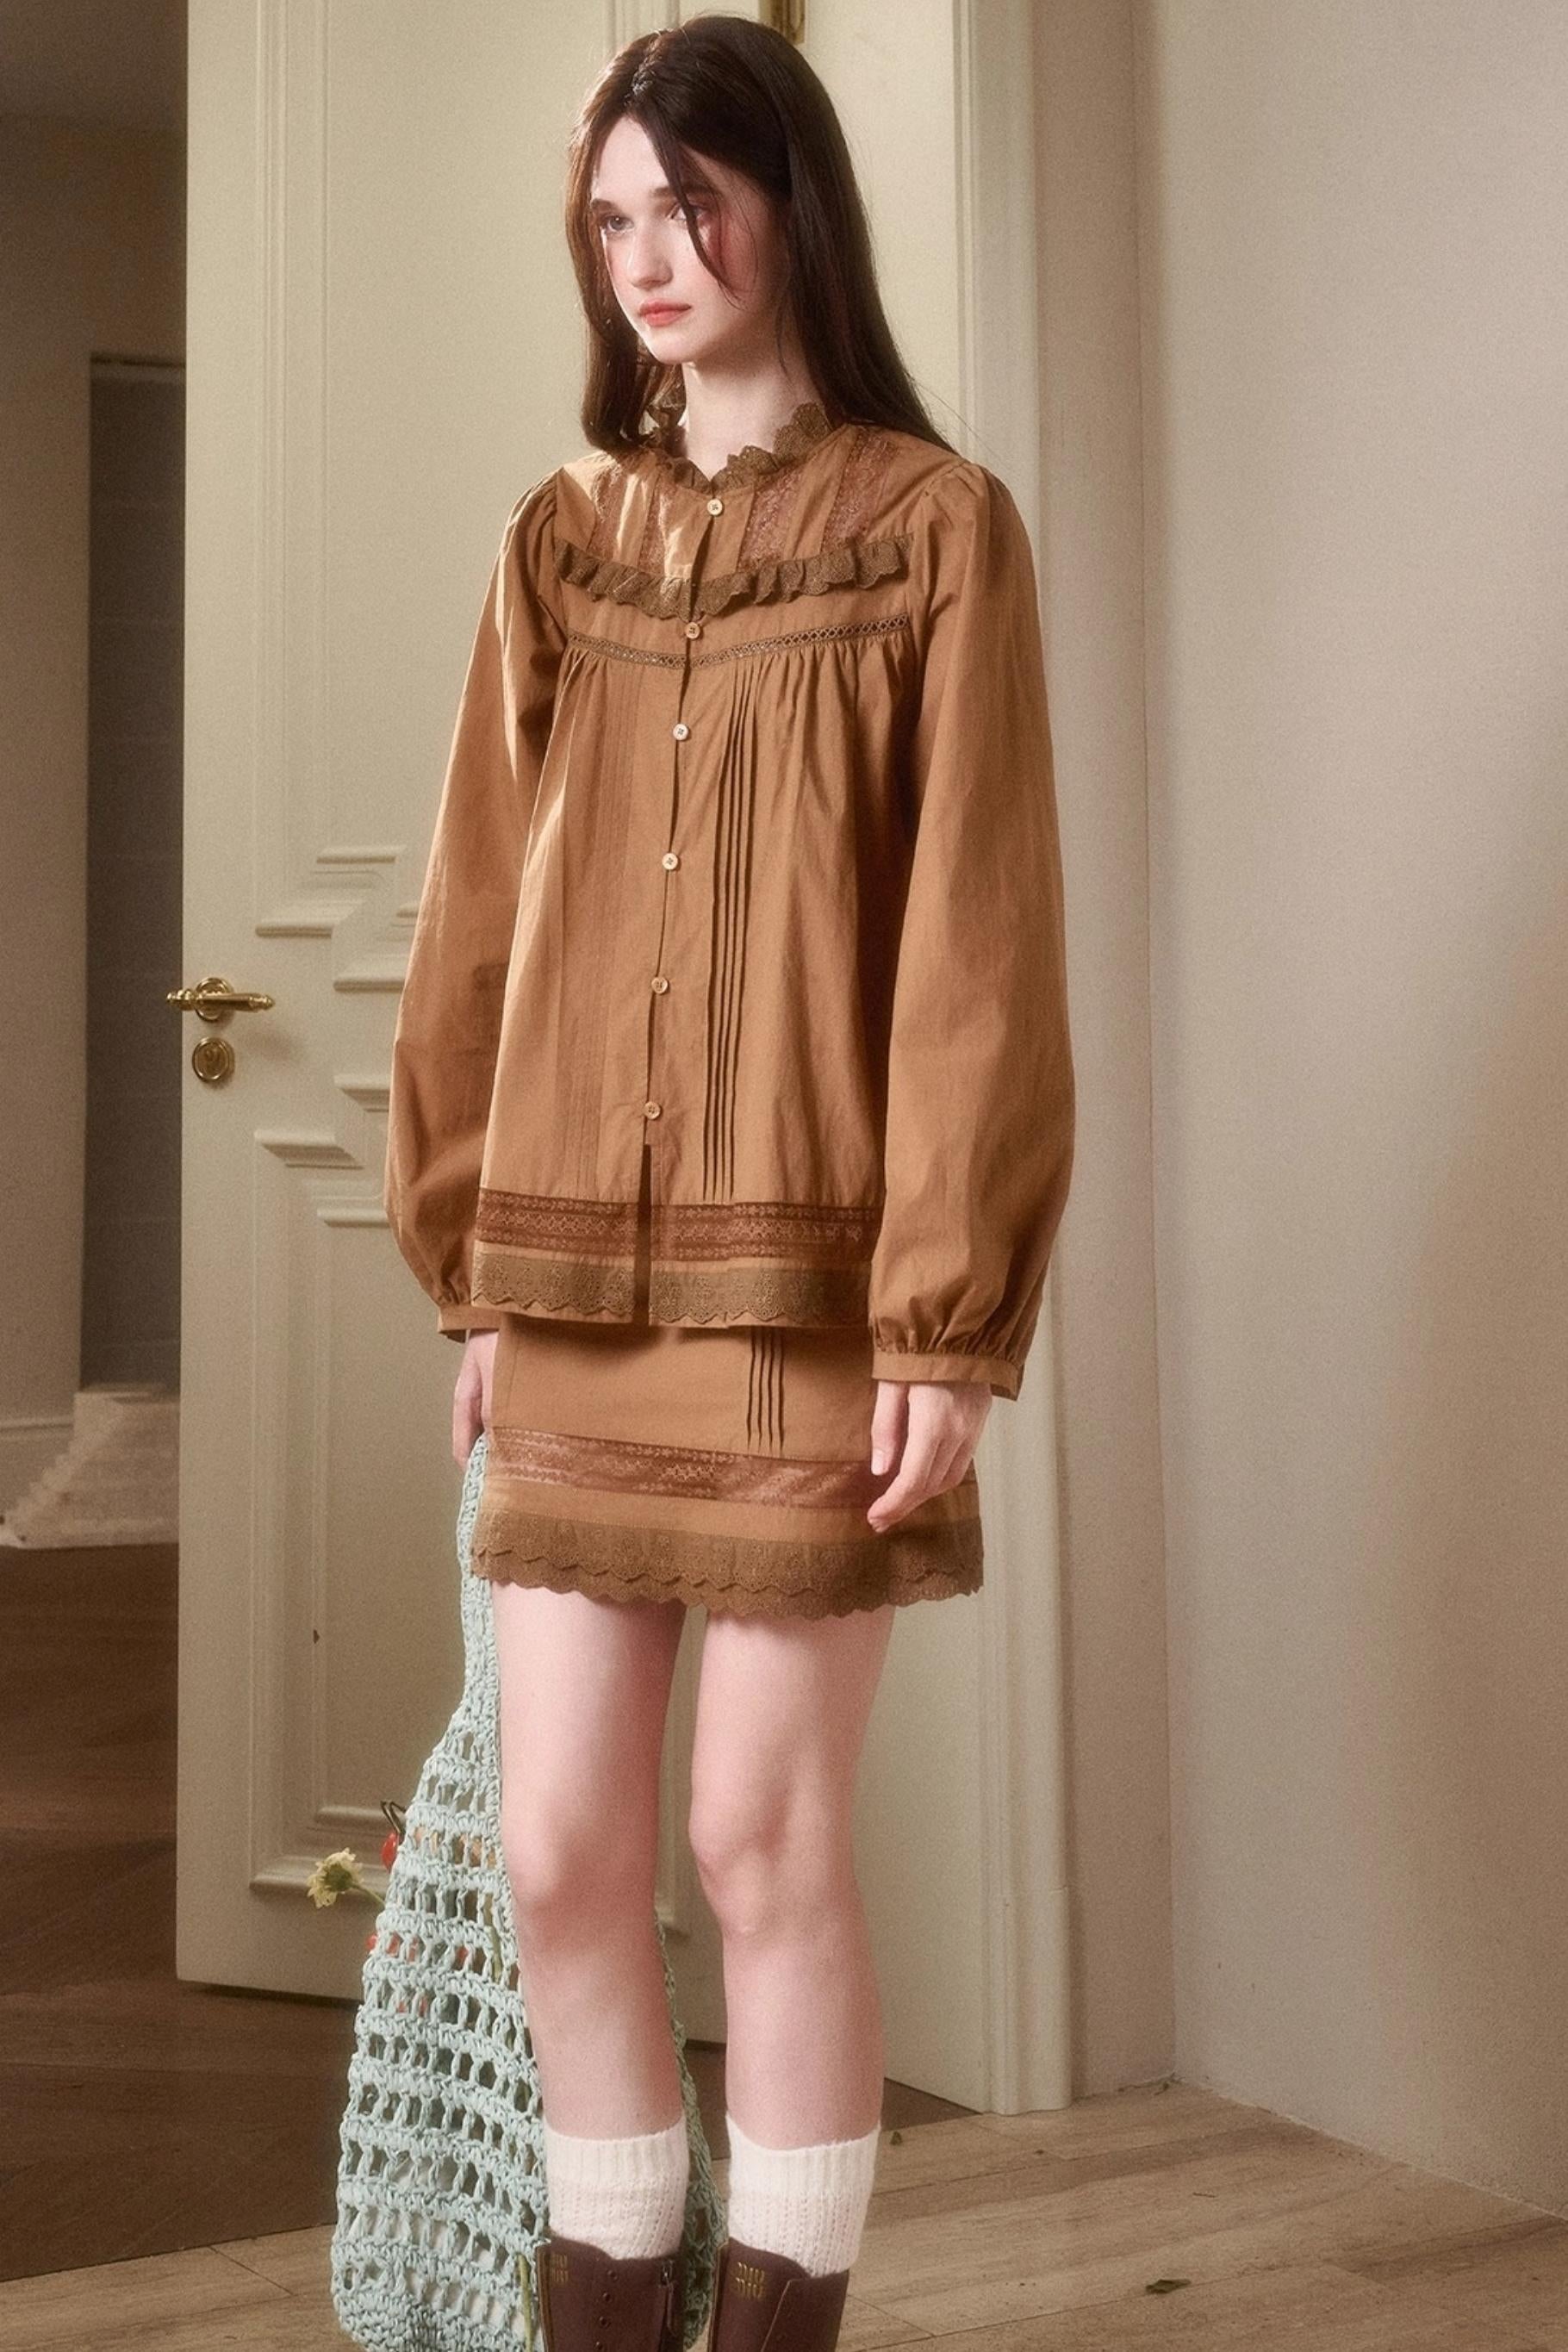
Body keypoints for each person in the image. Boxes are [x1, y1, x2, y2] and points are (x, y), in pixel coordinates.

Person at [383, 16, 1075, 2351]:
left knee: (754, 1841)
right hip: (570, 1284)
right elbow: (478, 917)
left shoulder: (934, 529)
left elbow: (977, 946)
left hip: (812, 1304)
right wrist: (475, 1267)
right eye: (612, 219)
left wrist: (946, 1321)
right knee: (556, 1845)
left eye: (690, 203)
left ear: (791, 206)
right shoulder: (560, 542)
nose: (648, 256)